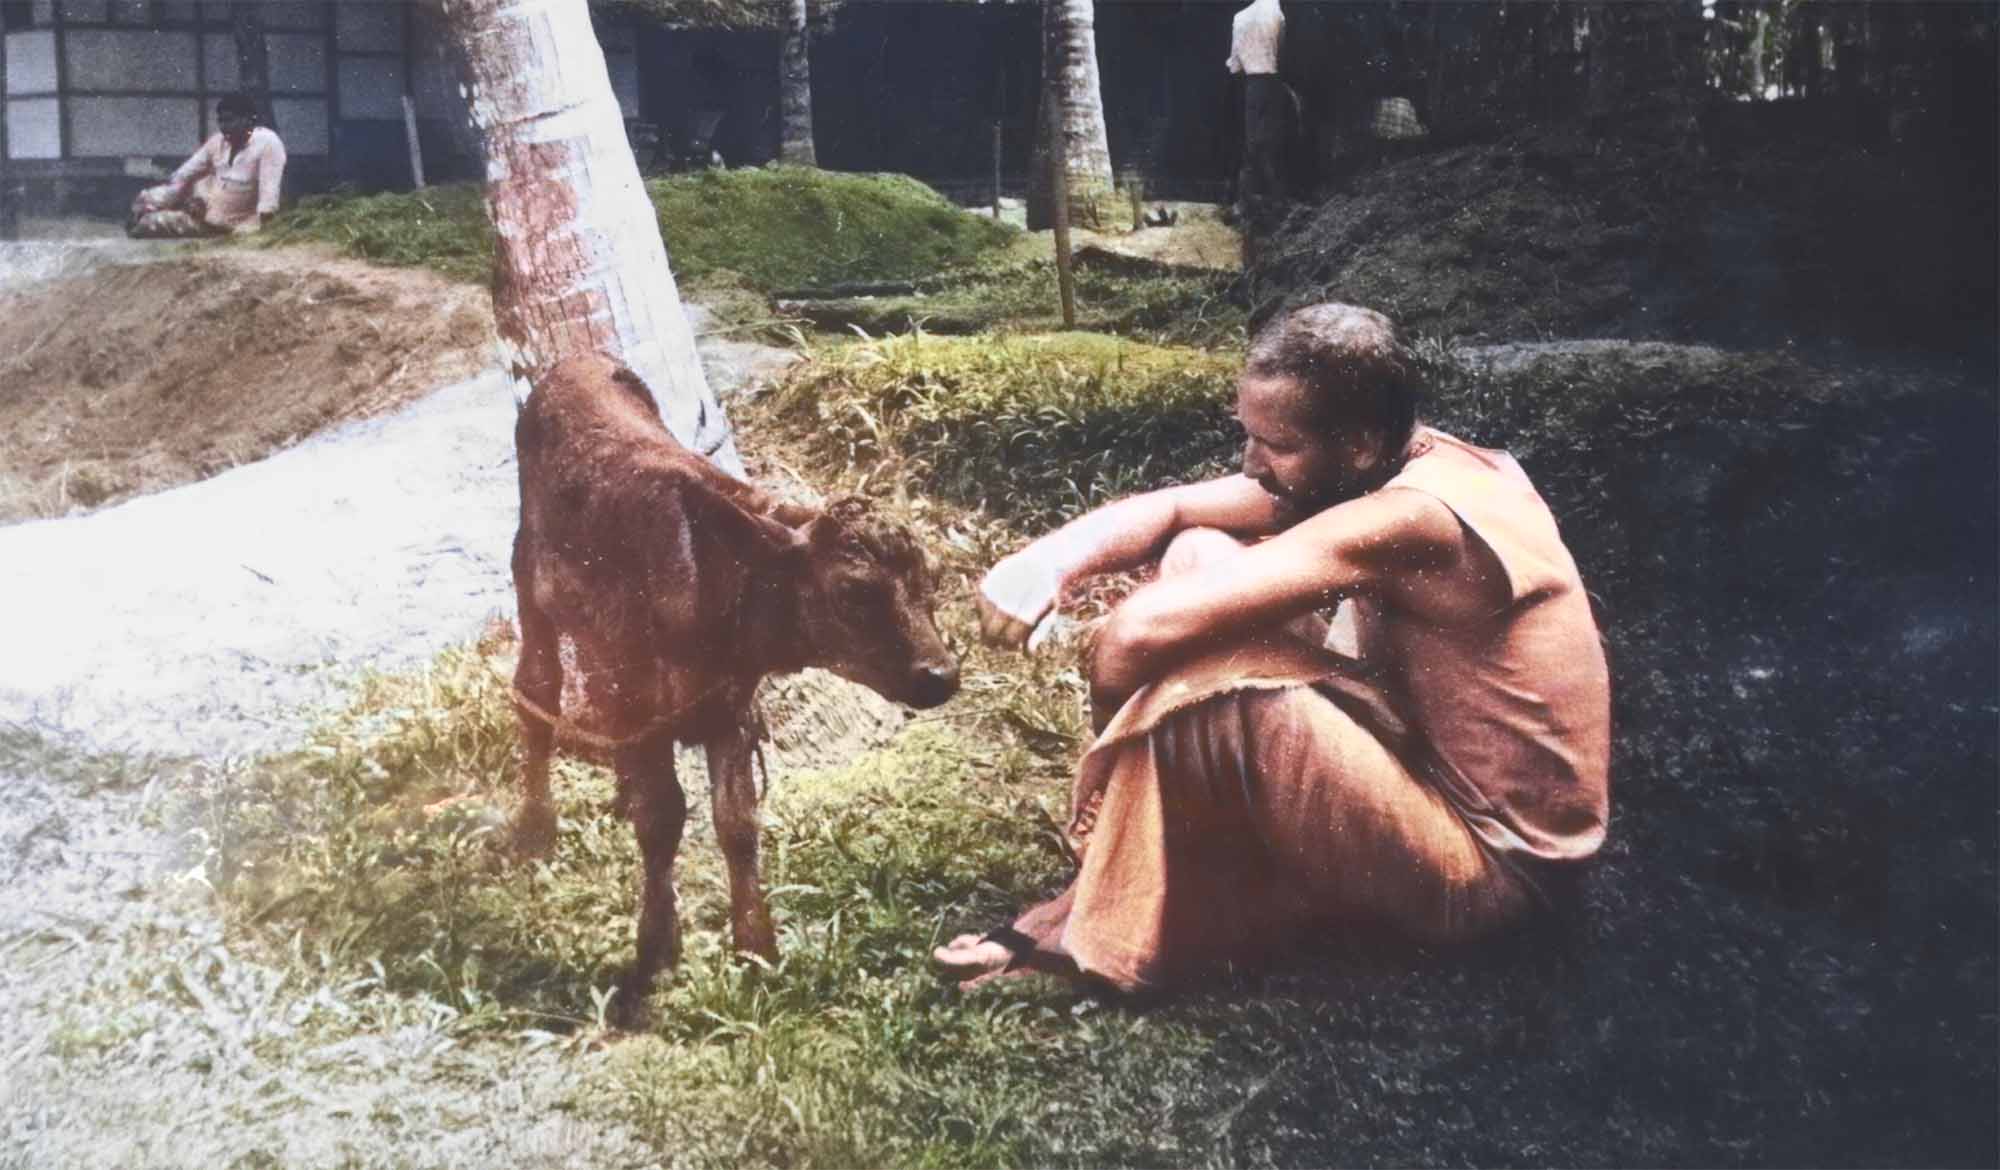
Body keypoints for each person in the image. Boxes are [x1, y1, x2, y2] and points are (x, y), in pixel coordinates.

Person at [934, 303, 1612, 991]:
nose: (1251, 464)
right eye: (1248, 436)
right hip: (1420, 771)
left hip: (1492, 875)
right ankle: (1137, 868)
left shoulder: (1418, 518)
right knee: (1200, 557)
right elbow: (1175, 513)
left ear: (1360, 445)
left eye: (1277, 446)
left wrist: (1122, 742)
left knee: (1218, 694)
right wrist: (1046, 562)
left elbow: (1133, 637)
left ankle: (1096, 920)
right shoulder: (1392, 461)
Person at [127, 93, 286, 239]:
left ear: (247, 119)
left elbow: (268, 201)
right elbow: (183, 174)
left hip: (237, 227)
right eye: (221, 121)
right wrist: (195, 198)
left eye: (230, 120)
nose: (224, 127)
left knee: (148, 224)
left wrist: (264, 235)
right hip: (203, 217)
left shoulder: (268, 144)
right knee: (146, 218)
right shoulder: (218, 142)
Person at [1227, 0, 1288, 212]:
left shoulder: (1240, 17)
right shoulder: (1276, 12)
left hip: (1250, 83)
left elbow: (1235, 64)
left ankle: (1247, 200)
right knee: (1268, 142)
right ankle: (1273, 199)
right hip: (1271, 83)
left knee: (1252, 143)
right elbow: (1280, 47)